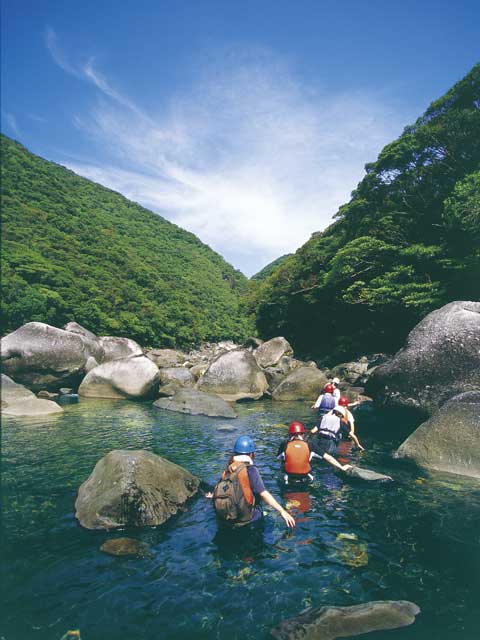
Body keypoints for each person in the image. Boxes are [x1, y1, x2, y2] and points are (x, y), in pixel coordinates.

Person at [211, 435, 296, 529]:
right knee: (268, 515)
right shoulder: (250, 469)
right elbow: (263, 493)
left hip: (226, 518)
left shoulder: (228, 468)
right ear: (251, 454)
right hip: (247, 519)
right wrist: (282, 511)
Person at [309, 407, 352, 472]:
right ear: (340, 415)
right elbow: (353, 435)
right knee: (328, 462)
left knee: (318, 459)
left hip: (320, 441)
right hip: (331, 444)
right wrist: (358, 445)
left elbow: (312, 431)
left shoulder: (324, 417)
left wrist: (308, 439)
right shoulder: (340, 421)